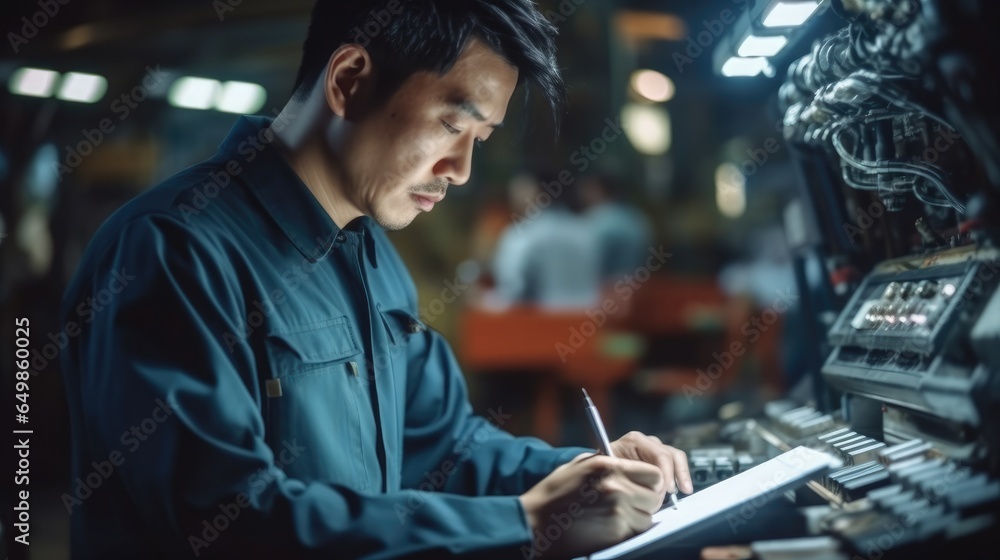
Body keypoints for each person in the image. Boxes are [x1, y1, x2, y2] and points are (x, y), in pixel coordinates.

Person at [59, 1, 693, 558]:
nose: (463, 169)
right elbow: (229, 521)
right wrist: (523, 522)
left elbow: (443, 446)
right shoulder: (172, 251)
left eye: (482, 137)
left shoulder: (372, 255)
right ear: (350, 80)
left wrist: (585, 472)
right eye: (452, 124)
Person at [489, 171, 602, 309]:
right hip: (585, 316)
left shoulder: (521, 235)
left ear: (537, 192)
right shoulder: (584, 229)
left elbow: (513, 289)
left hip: (542, 320)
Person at [579, 172, 653, 282]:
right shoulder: (635, 217)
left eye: (586, 189)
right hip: (636, 286)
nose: (581, 194)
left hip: (605, 288)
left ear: (597, 189)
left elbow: (589, 262)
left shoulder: (596, 220)